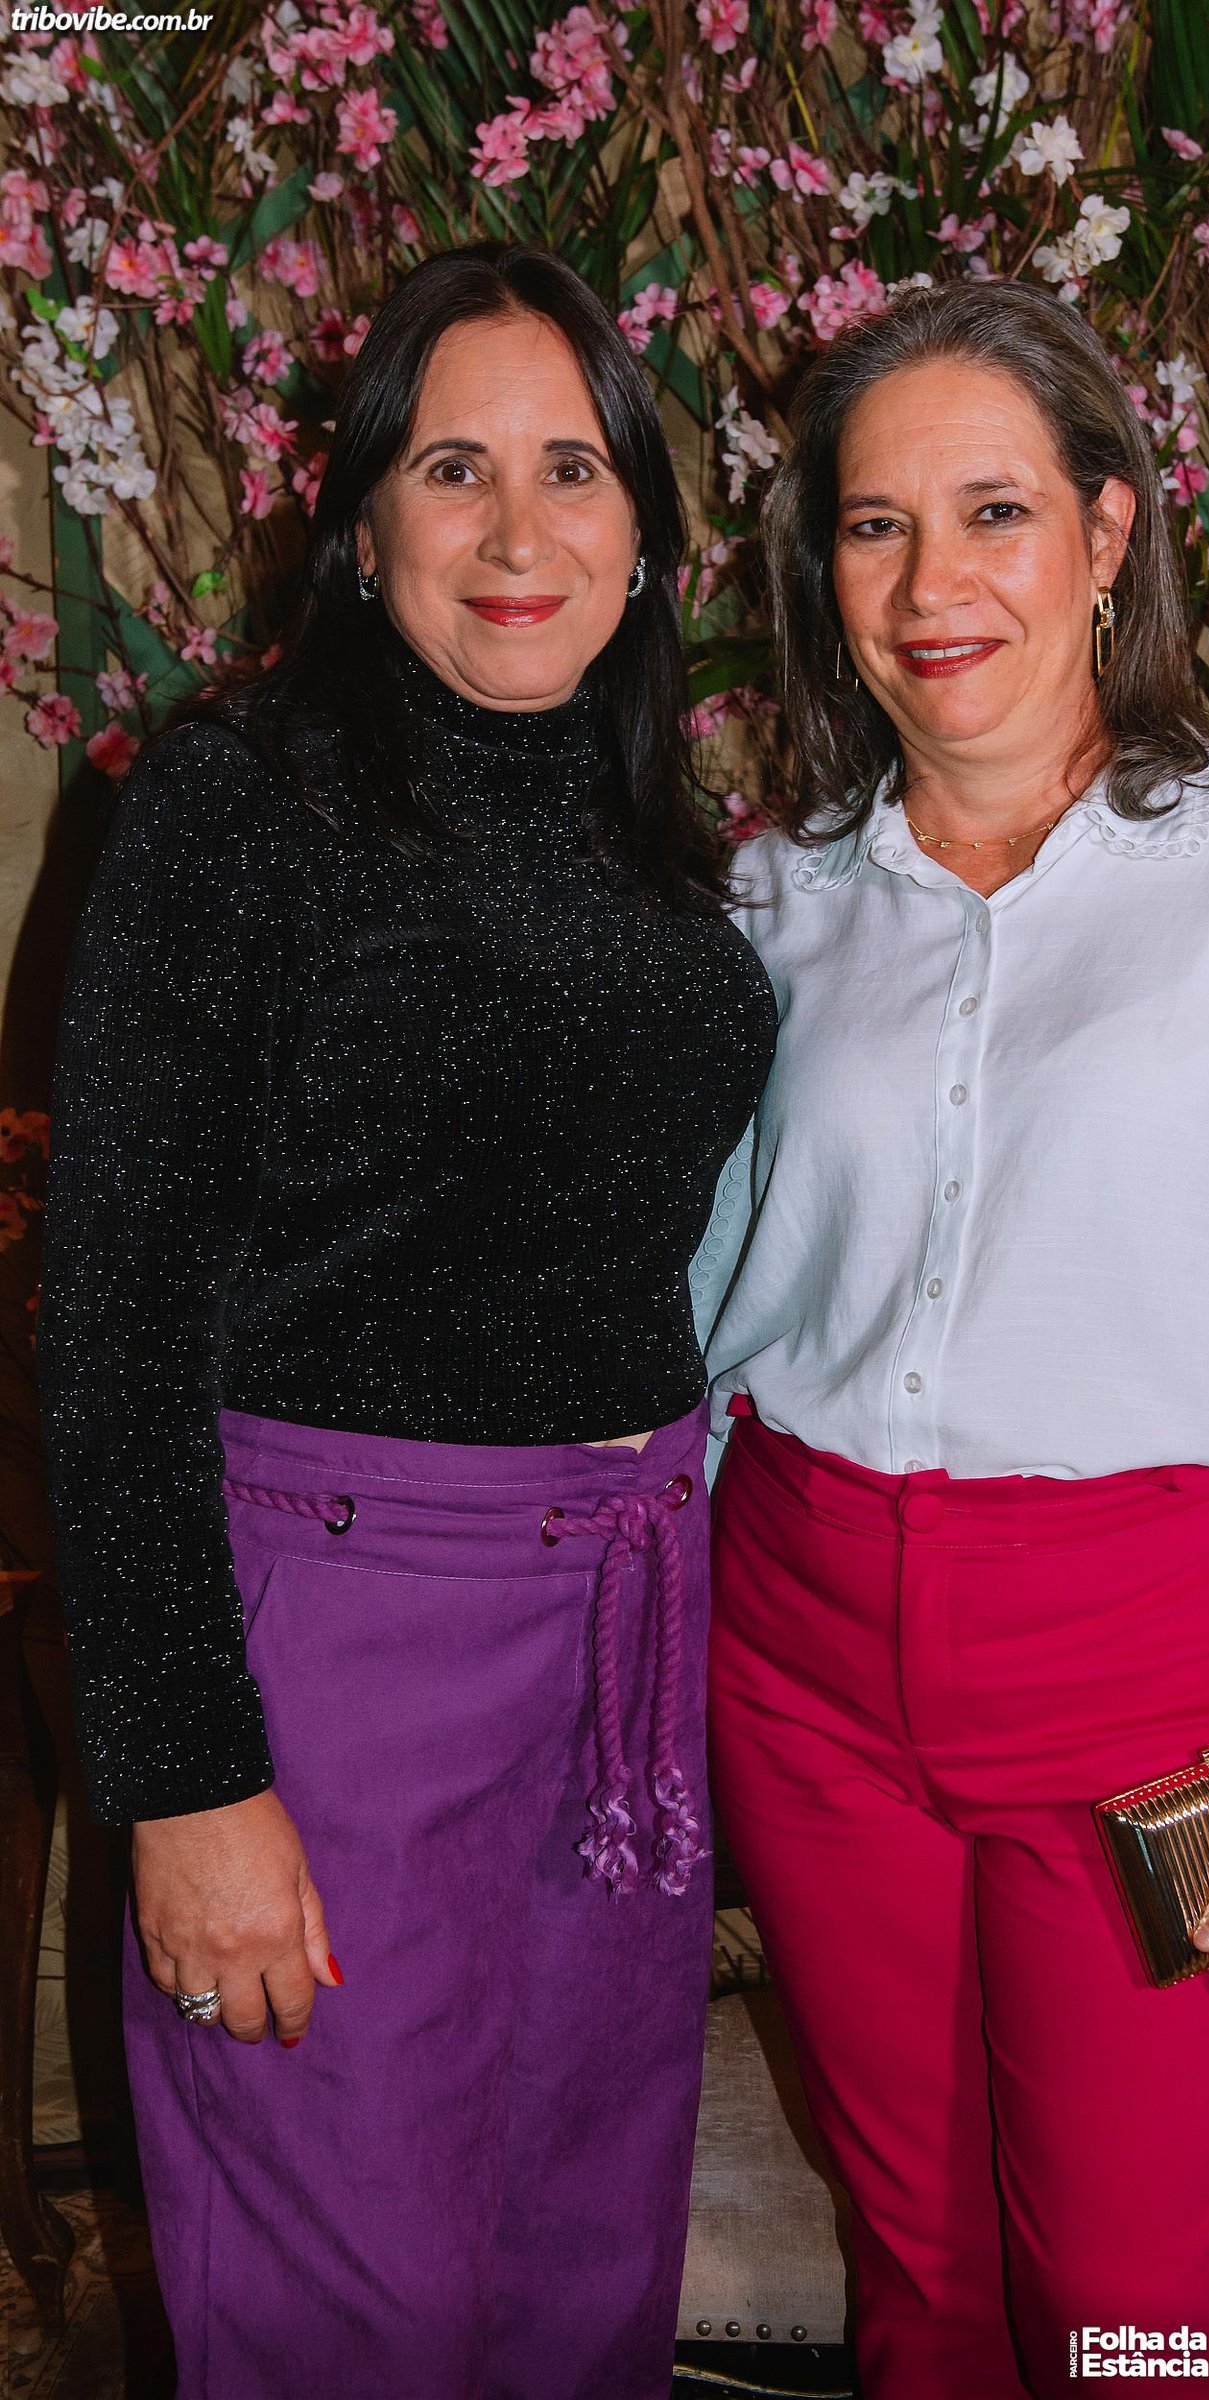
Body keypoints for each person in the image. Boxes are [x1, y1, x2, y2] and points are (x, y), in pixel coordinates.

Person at [691, 279, 1209, 2400]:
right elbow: (710, 1307)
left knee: (1132, 2303)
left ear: (1108, 531)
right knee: (918, 2275)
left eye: (991, 510)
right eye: (873, 526)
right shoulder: (779, 899)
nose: (931, 583)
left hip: (1139, 1676)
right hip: (799, 1650)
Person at [38, 242, 776, 2400]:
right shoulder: (236, 802)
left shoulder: (658, 841)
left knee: (579, 2284)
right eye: (455, 468)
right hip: (339, 1649)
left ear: (645, 536)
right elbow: (113, 1313)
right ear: (362, 529)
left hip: (618, 1636)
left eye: (574, 469)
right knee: (345, 2312)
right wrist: (187, 1784)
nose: (519, 530)